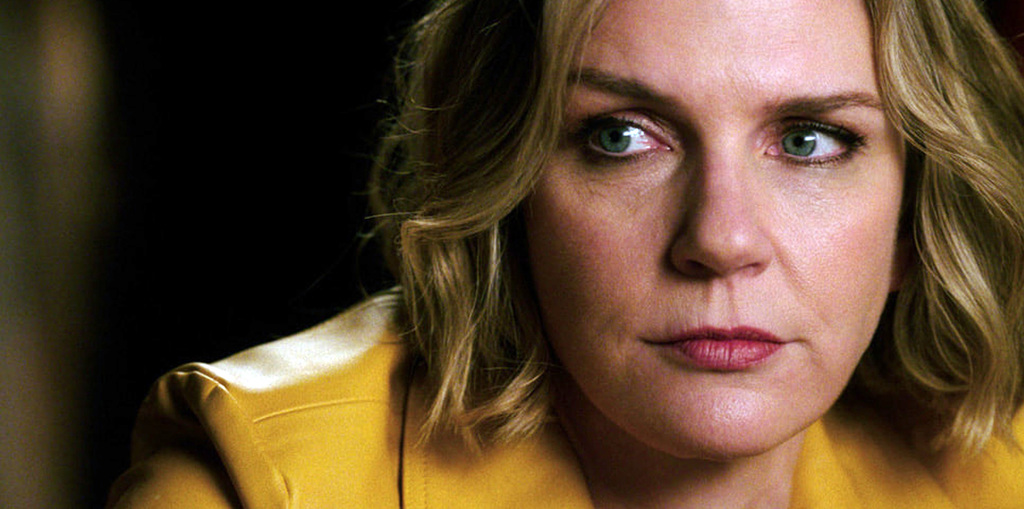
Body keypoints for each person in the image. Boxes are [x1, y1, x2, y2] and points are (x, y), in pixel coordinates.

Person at [107, 0, 1024, 507]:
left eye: (810, 140)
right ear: (505, 187)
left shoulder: (998, 477)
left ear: (917, 217)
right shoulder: (252, 492)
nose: (721, 239)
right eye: (621, 136)